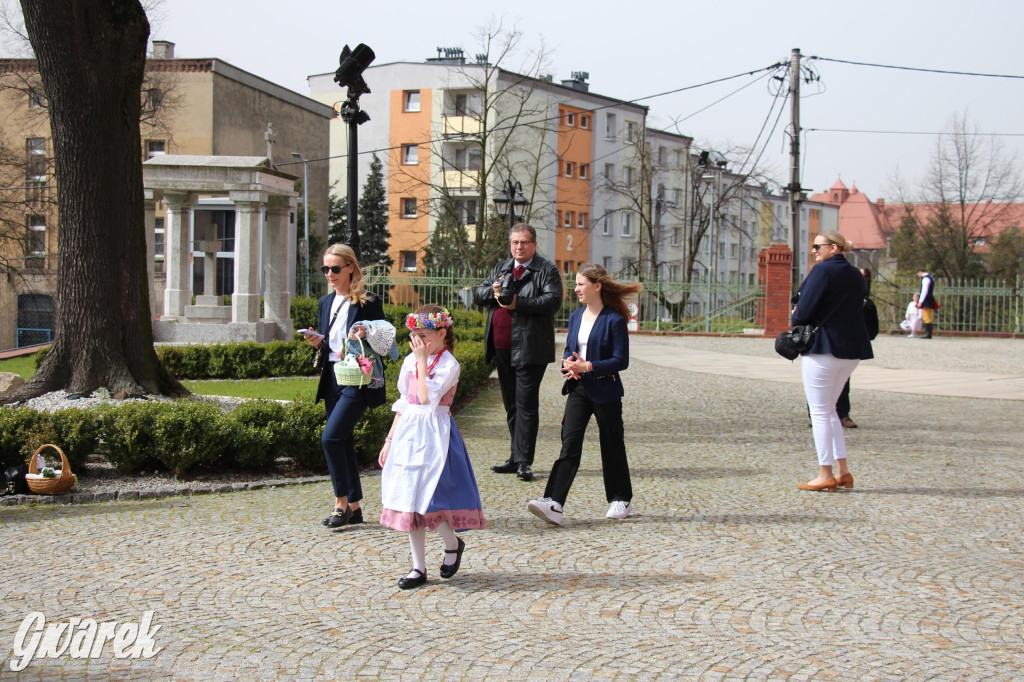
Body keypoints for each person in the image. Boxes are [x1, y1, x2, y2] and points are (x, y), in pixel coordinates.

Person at [378, 305, 485, 589]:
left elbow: (427, 399)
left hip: (436, 434)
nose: (418, 342)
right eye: (414, 336)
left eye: (424, 336)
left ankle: (452, 543)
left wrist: (422, 362)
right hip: (409, 433)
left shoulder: (449, 364)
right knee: (409, 500)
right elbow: (405, 402)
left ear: (441, 333)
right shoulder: (411, 361)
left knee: (429, 500)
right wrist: (389, 440)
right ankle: (418, 567)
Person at [527, 263, 641, 526]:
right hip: (578, 388)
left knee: (612, 444)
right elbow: (571, 349)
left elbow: (621, 360)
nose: (576, 289)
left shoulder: (614, 320)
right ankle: (554, 502)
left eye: (581, 284)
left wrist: (588, 366)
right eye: (576, 284)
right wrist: (569, 364)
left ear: (596, 286)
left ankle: (621, 498)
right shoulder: (576, 316)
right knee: (569, 444)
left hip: (606, 389)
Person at [300, 244, 394, 529]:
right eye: (325, 268)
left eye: (335, 268)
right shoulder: (325, 302)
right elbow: (331, 343)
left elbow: (386, 339)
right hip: (332, 376)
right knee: (342, 440)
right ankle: (355, 506)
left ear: (350, 267)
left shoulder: (367, 301)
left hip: (358, 378)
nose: (329, 274)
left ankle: (340, 504)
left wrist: (367, 332)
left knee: (330, 438)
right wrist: (317, 342)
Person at [473, 223, 563, 482]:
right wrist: (493, 292)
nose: (519, 247)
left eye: (524, 242)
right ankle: (515, 458)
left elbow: (552, 301)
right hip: (501, 346)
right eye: (515, 242)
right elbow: (479, 293)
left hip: (530, 347)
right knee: (511, 404)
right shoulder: (501, 267)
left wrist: (517, 303)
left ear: (534, 244)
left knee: (526, 404)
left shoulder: (547, 270)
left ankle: (524, 461)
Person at [792, 231, 873, 493]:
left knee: (819, 412)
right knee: (831, 411)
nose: (814, 251)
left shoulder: (822, 271)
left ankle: (825, 473)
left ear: (834, 247)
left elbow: (802, 313)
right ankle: (842, 471)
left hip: (823, 348)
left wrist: (796, 312)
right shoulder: (855, 274)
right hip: (851, 350)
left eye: (818, 246)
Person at [916, 269, 938, 339]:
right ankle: (928, 333)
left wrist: (920, 301)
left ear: (920, 272)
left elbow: (924, 291)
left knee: (926, 316)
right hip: (929, 298)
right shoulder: (930, 278)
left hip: (926, 299)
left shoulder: (925, 279)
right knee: (927, 316)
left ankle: (928, 333)